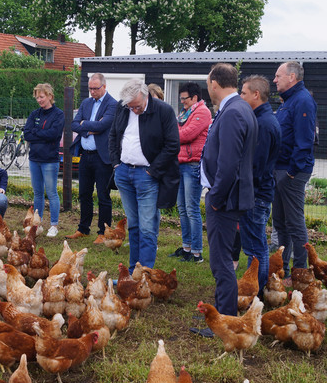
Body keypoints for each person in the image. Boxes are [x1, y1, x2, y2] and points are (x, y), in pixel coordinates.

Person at [192, 63, 257, 331]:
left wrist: (216, 197)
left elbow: (229, 164)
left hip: (225, 199)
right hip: (230, 196)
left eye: (208, 84)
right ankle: (221, 314)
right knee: (222, 260)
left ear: (215, 84)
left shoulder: (232, 112)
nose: (208, 88)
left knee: (221, 264)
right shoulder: (240, 108)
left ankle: (225, 322)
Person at [109, 79, 180, 273]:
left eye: (137, 106)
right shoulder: (123, 107)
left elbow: (173, 144)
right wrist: (116, 163)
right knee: (133, 225)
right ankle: (133, 273)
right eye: (130, 107)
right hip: (124, 172)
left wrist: (152, 171)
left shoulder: (163, 111)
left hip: (146, 175)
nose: (134, 110)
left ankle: (145, 274)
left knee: (147, 228)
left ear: (146, 95)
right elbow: (114, 135)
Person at [272, 61, 317, 284]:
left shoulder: (302, 101)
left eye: (278, 76)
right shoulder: (288, 102)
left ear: (292, 77)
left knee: (294, 224)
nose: (274, 80)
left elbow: (305, 141)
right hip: (280, 170)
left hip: (291, 173)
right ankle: (285, 270)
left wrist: (291, 172)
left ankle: (300, 272)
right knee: (280, 223)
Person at [238, 75, 281, 292]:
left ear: (256, 95)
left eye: (244, 93)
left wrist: (245, 191)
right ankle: (255, 288)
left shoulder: (263, 124)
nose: (240, 96)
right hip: (258, 193)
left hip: (256, 195)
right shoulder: (261, 119)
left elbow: (257, 166)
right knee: (256, 247)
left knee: (256, 249)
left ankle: (258, 291)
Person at [66, 73, 117, 244]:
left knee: (103, 195)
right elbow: (74, 124)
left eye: (95, 88)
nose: (92, 92)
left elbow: (103, 125)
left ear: (104, 86)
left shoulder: (112, 104)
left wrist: (84, 125)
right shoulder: (86, 103)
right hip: (85, 156)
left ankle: (103, 232)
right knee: (84, 194)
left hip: (102, 158)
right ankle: (83, 228)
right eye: (90, 88)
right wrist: (89, 128)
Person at [171, 82, 211, 263]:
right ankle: (186, 247)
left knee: (191, 208)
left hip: (192, 165)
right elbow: (178, 131)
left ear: (194, 98)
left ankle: (196, 252)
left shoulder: (202, 112)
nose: (182, 102)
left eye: (184, 99)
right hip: (181, 163)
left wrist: (174, 133)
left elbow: (185, 135)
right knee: (182, 208)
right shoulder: (185, 113)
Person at [23, 83, 64, 237]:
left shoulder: (58, 115)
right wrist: (41, 133)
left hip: (50, 160)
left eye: (41, 97)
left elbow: (54, 134)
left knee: (52, 193)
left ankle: (54, 225)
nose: (39, 100)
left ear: (49, 96)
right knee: (38, 193)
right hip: (34, 159)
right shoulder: (34, 114)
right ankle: (37, 224)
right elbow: (27, 134)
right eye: (37, 97)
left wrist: (37, 133)